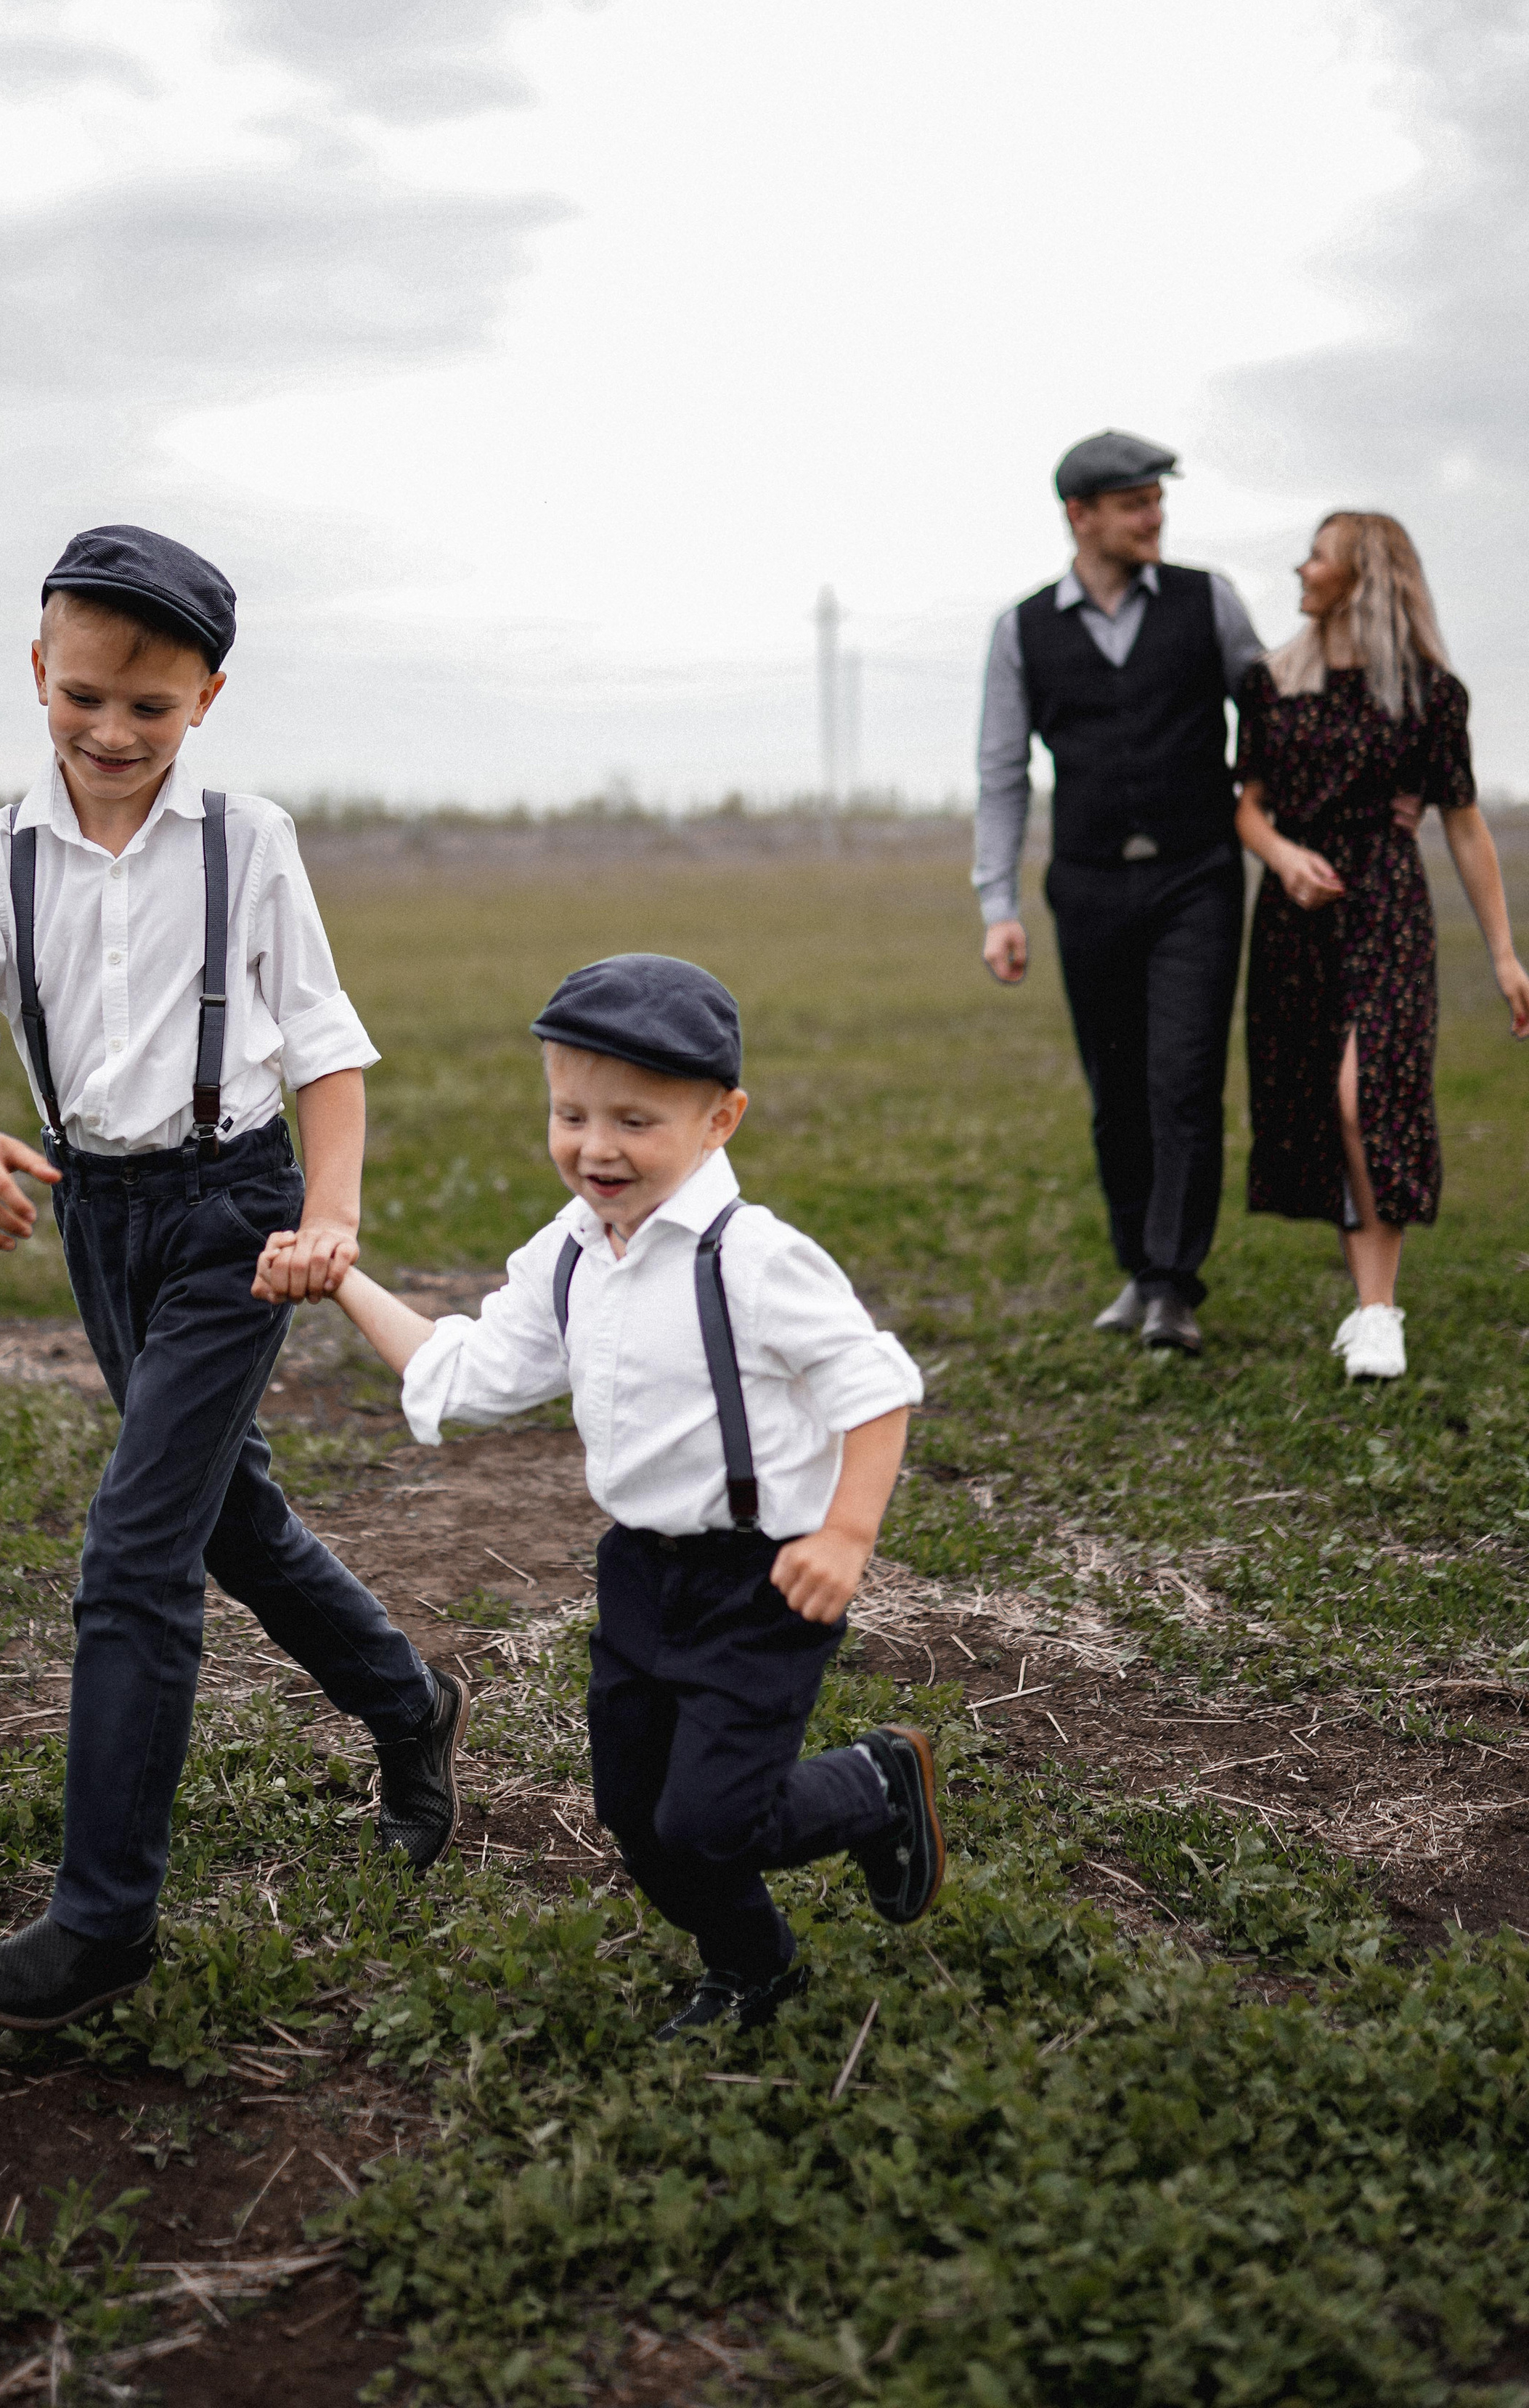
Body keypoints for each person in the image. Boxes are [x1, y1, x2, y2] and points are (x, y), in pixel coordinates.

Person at [0, 523, 465, 2032]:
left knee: (138, 1546)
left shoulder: (247, 841)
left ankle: (103, 1922)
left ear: (206, 698)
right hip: (97, 1213)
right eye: (83, 694)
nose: (111, 731)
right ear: (37, 669)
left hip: (236, 1210)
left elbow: (325, 1044)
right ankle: (410, 1704)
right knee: (228, 1517)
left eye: (151, 706)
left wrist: (330, 1215)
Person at [257, 954, 945, 2038]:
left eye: (635, 1121)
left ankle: (873, 1785)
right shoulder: (570, 1256)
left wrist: (848, 1534)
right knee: (636, 1814)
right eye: (571, 1115)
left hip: (760, 1579)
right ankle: (754, 1965)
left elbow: (875, 1387)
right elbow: (464, 1370)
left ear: (720, 1120)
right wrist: (340, 1278)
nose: (596, 1148)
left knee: (710, 1820)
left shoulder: (752, 1259)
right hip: (637, 1575)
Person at [974, 431, 1266, 1354]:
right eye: (1136, 503)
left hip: (1196, 877)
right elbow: (1001, 774)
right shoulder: (1020, 629)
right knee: (1116, 1090)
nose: (1154, 517)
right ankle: (1137, 1268)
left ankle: (1175, 1284)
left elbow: (1271, 718)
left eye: (1156, 500)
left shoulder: (1207, 600)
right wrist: (997, 906)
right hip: (1088, 886)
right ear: (1080, 515)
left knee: (1183, 1079)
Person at [1235, 510, 1529, 1380]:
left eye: (1316, 556)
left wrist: (1504, 954)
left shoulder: (1432, 695)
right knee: (1325, 1109)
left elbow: (1464, 825)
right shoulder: (1270, 682)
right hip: (1295, 915)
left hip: (1388, 907)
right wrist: (1283, 858)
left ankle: (1377, 1313)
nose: (1300, 569)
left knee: (1369, 1097)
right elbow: (1247, 806)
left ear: (1361, 575)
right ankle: (1368, 1312)